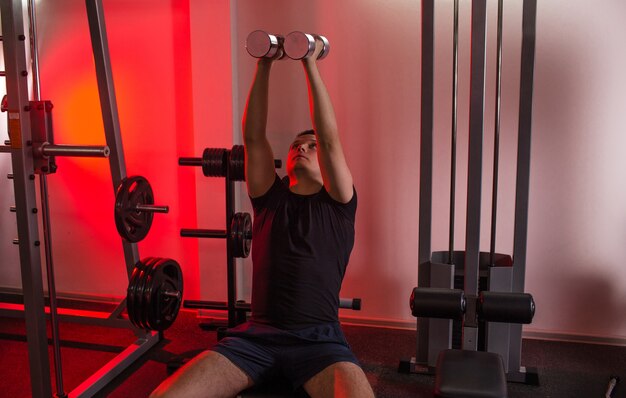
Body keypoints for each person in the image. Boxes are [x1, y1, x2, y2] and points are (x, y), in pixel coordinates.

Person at [150, 37, 374, 398]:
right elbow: (253, 136)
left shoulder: (339, 203)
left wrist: (309, 62)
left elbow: (331, 140)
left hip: (320, 342)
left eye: (311, 146)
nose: (302, 147)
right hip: (255, 339)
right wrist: (264, 63)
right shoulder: (268, 199)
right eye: (296, 145)